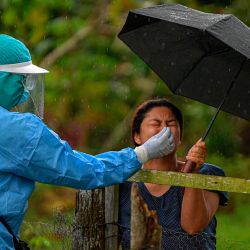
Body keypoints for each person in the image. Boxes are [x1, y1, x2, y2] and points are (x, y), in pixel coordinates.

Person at [0, 34, 177, 249]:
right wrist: (141, 154)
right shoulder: (16, 130)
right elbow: (82, 171)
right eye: (22, 79)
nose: (26, 88)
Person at [118, 98, 228, 250]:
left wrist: (193, 172)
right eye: (156, 123)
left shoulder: (208, 174)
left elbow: (192, 227)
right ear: (137, 136)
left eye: (171, 124)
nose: (165, 129)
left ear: (180, 137)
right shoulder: (123, 179)